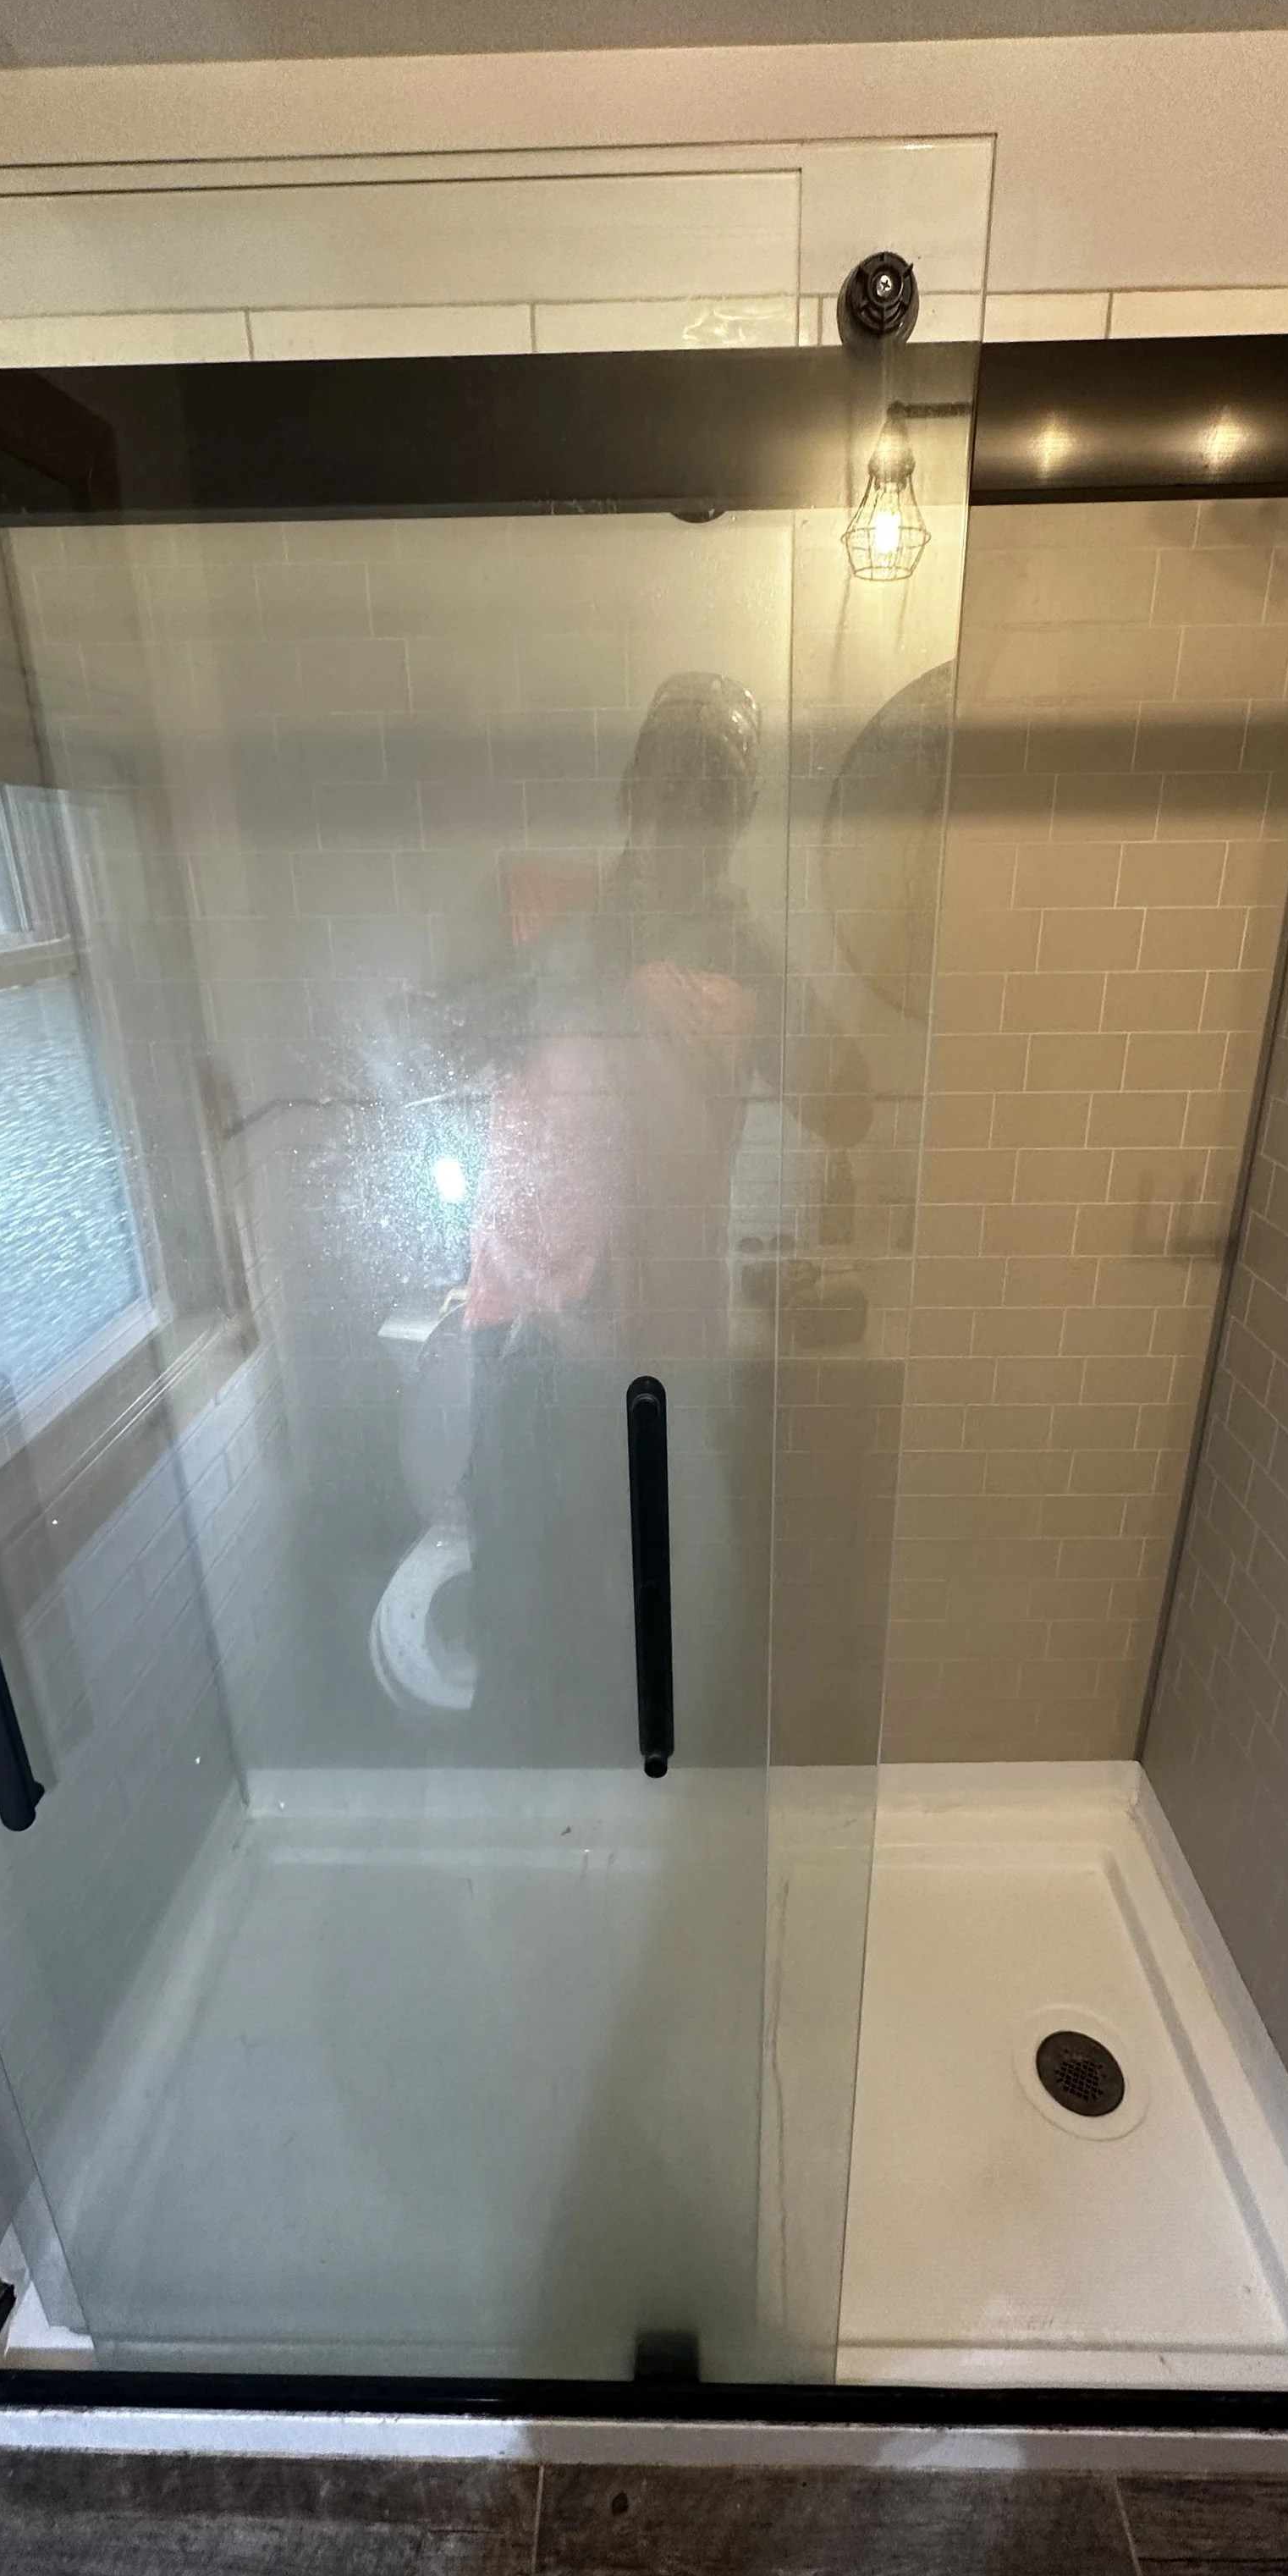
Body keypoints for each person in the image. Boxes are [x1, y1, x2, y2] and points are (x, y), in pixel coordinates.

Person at [420, 673, 867, 1764]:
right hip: (525, 1339)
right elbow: (428, 1049)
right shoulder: (528, 897)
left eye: (715, 794)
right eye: (671, 782)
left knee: (666, 1629)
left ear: (737, 822)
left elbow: (847, 1103)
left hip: (666, 1359)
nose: (687, 812)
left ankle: (656, 1859)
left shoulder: (738, 963)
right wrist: (587, 948)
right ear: (630, 787)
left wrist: (760, 963)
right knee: (530, 1613)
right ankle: (534, 1865)